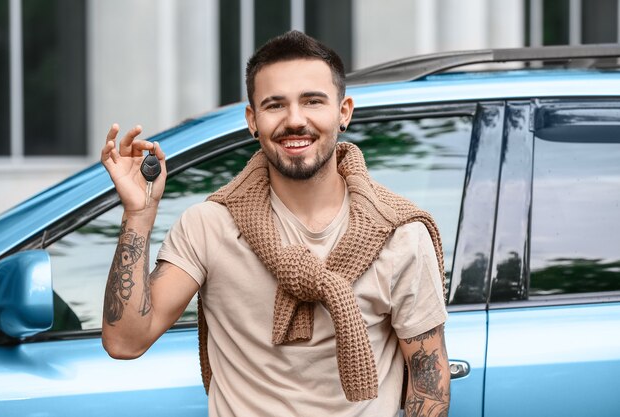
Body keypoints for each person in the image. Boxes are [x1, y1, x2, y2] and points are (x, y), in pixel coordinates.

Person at [100, 30, 450, 417]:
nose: (294, 120)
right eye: (275, 105)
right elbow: (125, 341)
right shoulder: (208, 226)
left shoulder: (399, 233)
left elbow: (427, 384)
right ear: (253, 120)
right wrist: (139, 214)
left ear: (343, 111)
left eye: (313, 101)